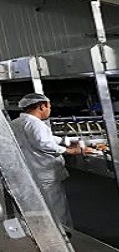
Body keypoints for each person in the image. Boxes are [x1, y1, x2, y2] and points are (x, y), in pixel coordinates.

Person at [9, 93, 78, 227]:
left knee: (37, 208)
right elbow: (44, 143)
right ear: (42, 106)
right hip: (45, 174)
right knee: (56, 209)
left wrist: (65, 140)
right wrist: (70, 151)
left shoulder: (17, 122)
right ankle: (61, 235)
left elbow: (42, 138)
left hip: (30, 172)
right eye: (49, 107)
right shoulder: (35, 123)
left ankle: (42, 231)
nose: (49, 110)